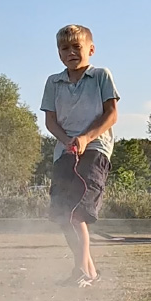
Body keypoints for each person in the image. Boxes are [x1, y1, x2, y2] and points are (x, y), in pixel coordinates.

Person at [40, 24, 119, 287]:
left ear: (91, 49)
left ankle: (81, 272)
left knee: (77, 212)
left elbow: (111, 115)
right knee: (64, 215)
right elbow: (50, 121)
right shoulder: (53, 82)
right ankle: (90, 273)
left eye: (77, 47)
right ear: (59, 53)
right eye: (65, 48)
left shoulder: (100, 76)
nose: (71, 52)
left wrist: (85, 138)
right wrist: (67, 141)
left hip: (95, 149)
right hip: (64, 151)